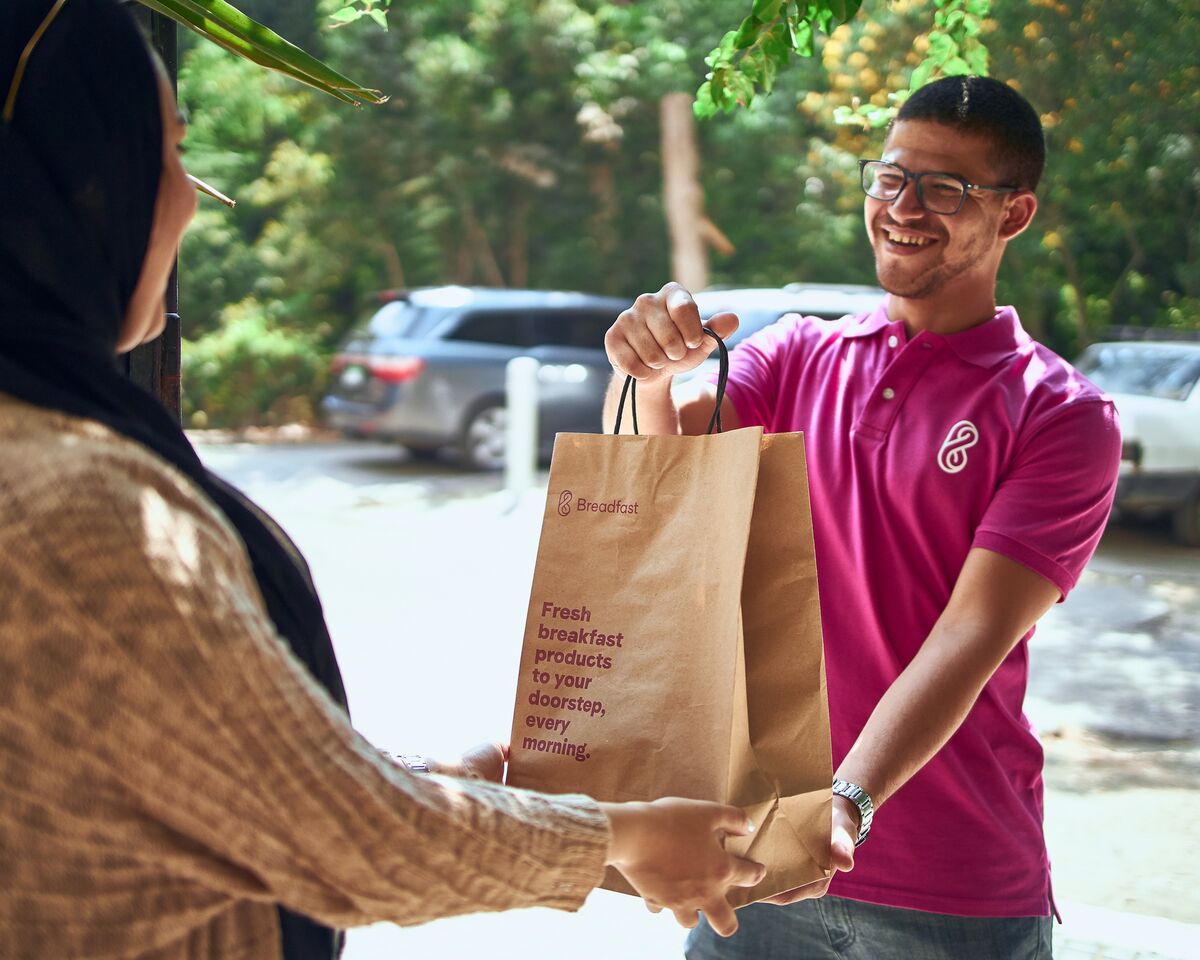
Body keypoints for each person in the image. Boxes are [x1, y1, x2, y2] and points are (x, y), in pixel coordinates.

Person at [0, 1, 767, 958]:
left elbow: (193, 769)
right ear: (73, 185)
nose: (192, 200)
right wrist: (619, 840)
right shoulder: (74, 500)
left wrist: (447, 775)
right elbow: (336, 835)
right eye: (167, 154)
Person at [604, 76, 1122, 958]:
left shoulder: (1059, 413)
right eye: (890, 177)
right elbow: (663, 495)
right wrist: (642, 373)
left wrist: (848, 802)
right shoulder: (796, 353)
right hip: (756, 857)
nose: (904, 207)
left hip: (952, 891)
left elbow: (970, 634)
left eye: (946, 188)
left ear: (1015, 214)